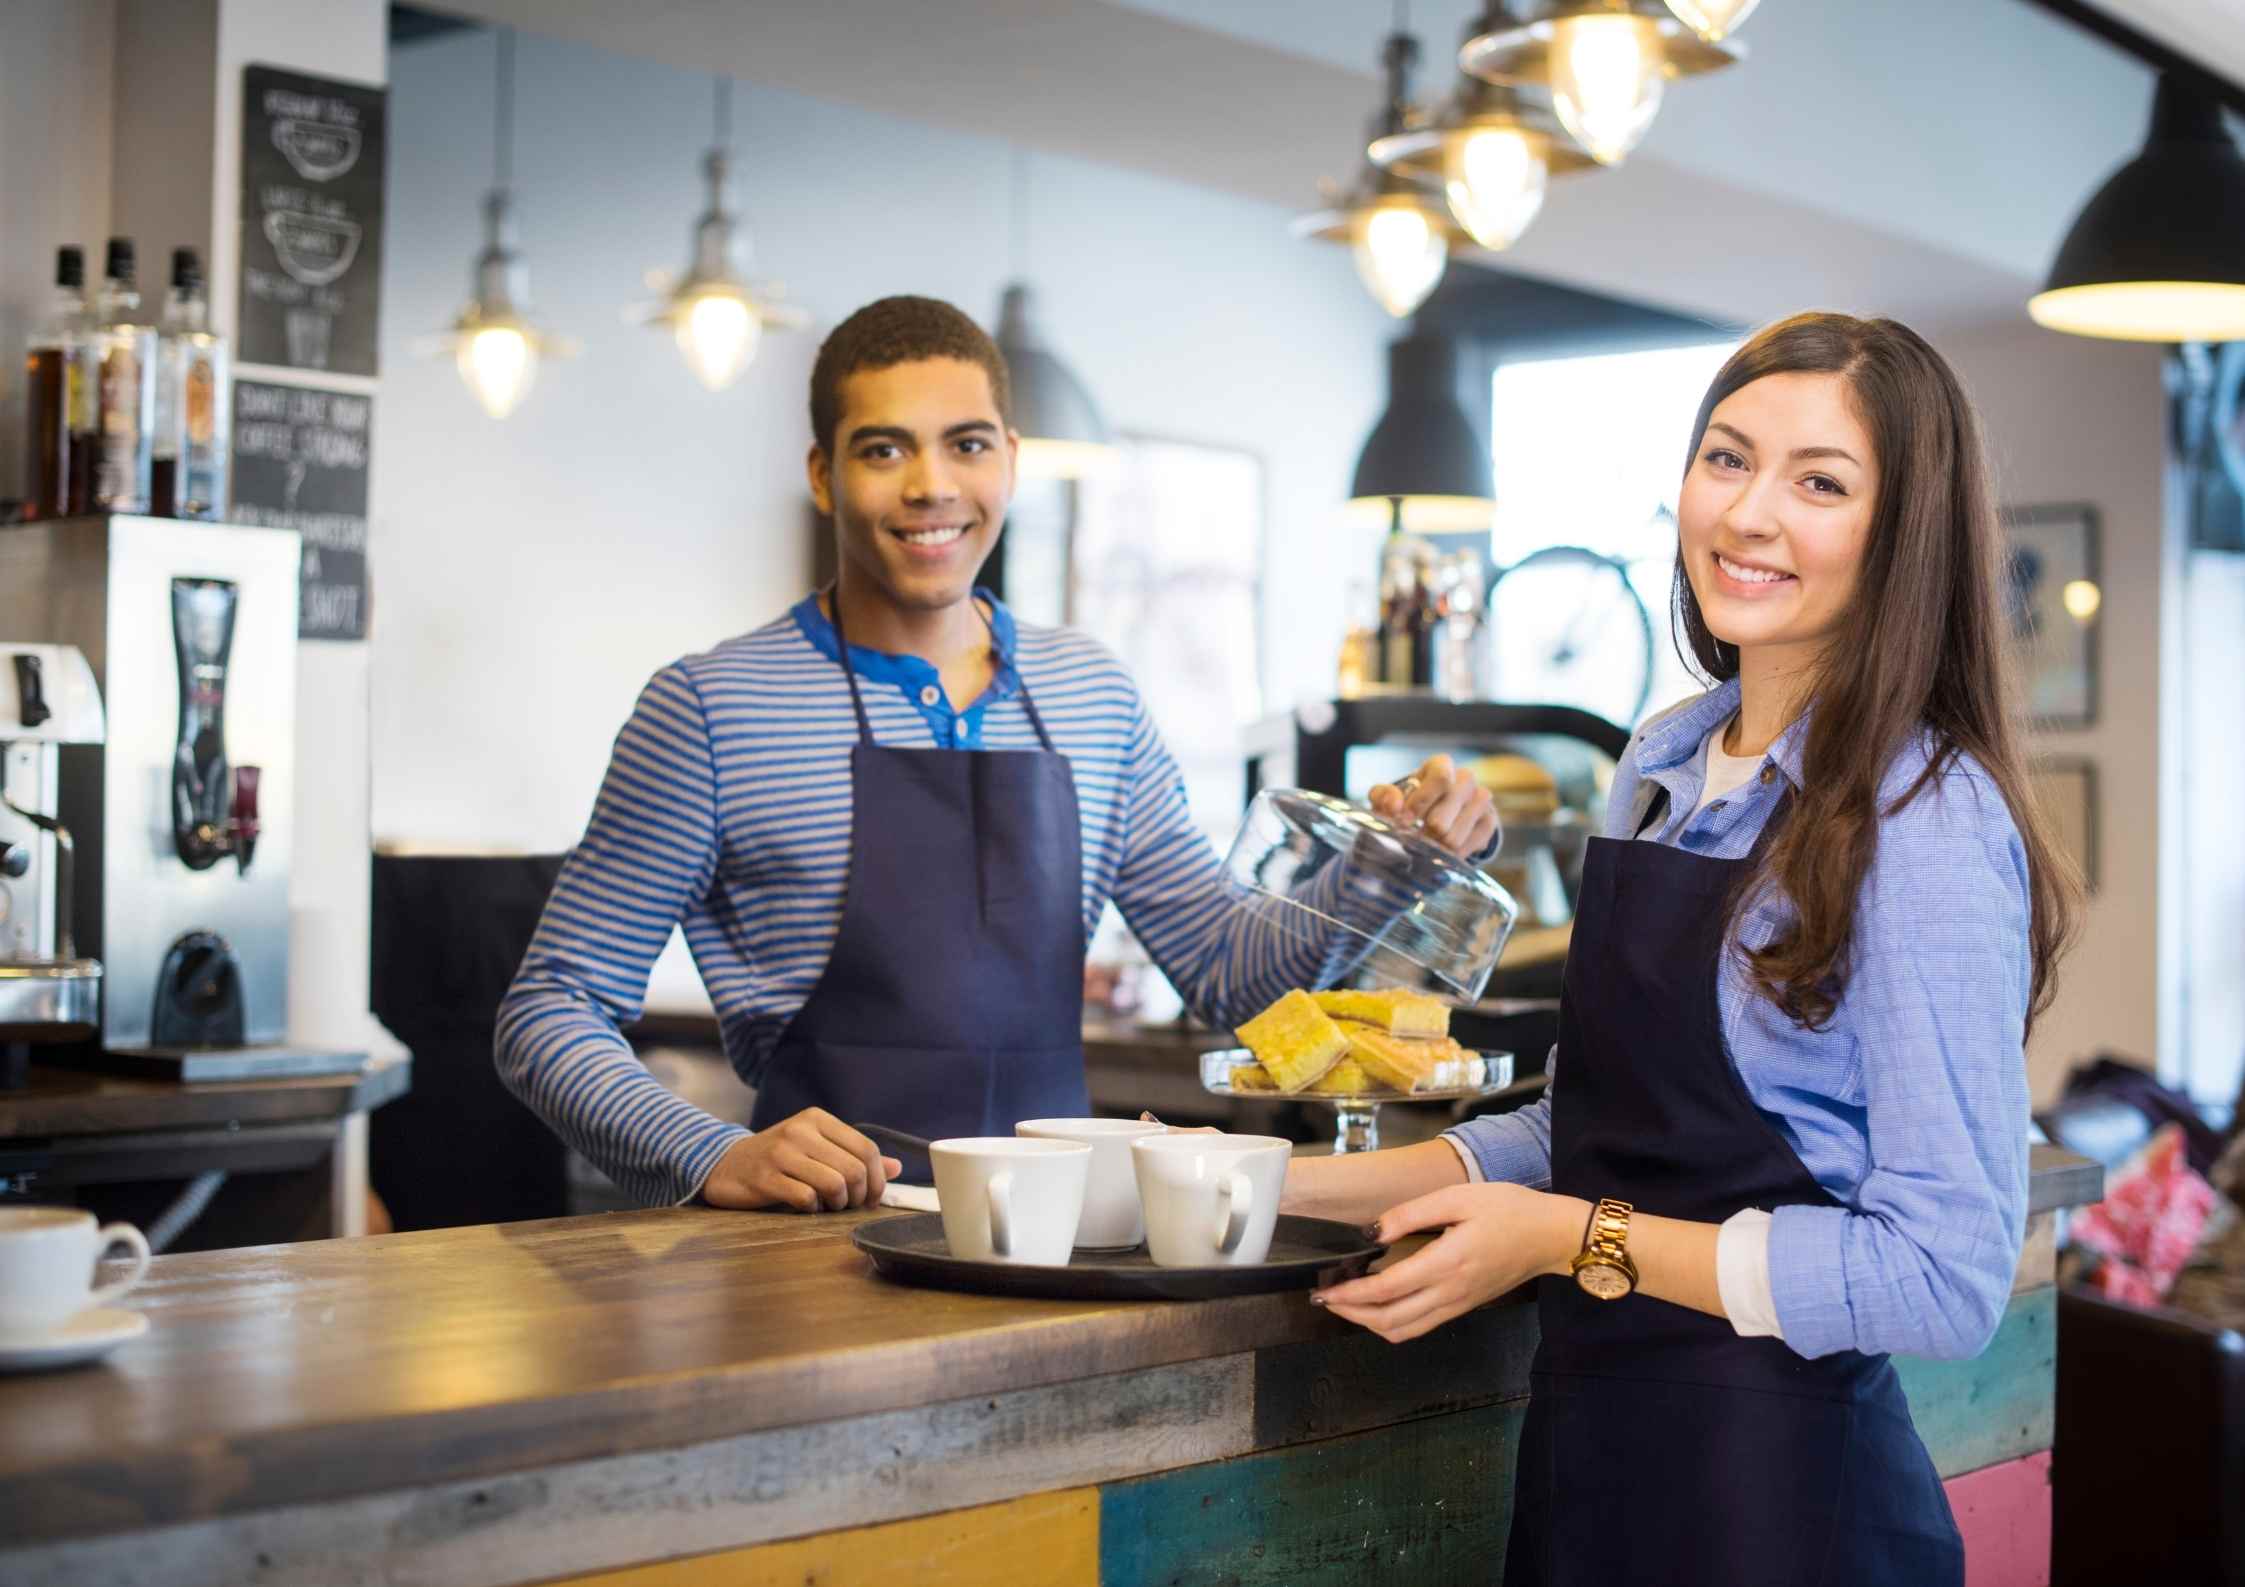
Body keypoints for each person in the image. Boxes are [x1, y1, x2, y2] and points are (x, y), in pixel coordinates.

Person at [1284, 312, 2082, 1586]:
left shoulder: (1920, 815)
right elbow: (1598, 1128)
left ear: (1900, 531)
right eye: (1727, 458)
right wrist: (1267, 1191)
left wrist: (1562, 1241)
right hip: (1594, 1469)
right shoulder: (1661, 761)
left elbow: (1942, 1276)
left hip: (1784, 1509)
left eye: (1818, 482)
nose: (1749, 514)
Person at [496, 294, 1496, 1213]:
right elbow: (549, 1010)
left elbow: (1233, 982)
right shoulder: (712, 709)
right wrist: (707, 1152)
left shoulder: (1090, 695)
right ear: (821, 474)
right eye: (883, 450)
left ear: (1009, 460)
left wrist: (1382, 860)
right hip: (809, 1245)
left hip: (1064, 1236)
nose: (931, 486)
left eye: (965, 445)